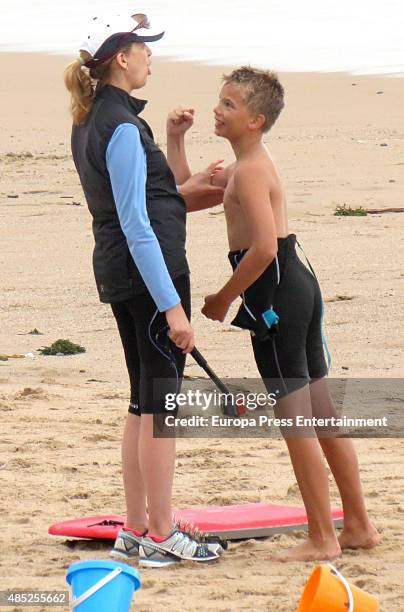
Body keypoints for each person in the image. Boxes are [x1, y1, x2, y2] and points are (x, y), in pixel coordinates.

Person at [166, 66, 380, 562]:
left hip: (277, 294)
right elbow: (182, 196)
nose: (218, 111)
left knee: (297, 420)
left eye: (229, 106)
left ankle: (324, 538)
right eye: (219, 101)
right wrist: (176, 140)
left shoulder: (254, 169)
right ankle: (359, 526)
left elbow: (263, 248)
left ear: (256, 119)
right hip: (293, 288)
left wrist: (223, 298)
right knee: (321, 414)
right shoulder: (243, 166)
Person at [63, 12, 225, 567]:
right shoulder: (123, 127)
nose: (151, 57)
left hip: (121, 272)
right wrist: (174, 308)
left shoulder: (92, 119)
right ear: (122, 58)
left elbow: (149, 201)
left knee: (142, 404)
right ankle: (159, 533)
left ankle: (136, 528)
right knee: (160, 410)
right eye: (144, 49)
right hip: (146, 277)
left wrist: (177, 147)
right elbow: (137, 223)